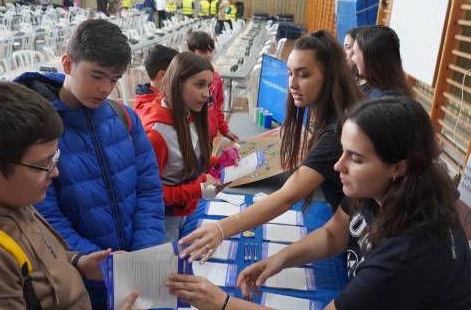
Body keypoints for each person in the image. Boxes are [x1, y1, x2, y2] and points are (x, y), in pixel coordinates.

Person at [167, 96, 471, 310]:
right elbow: (335, 232)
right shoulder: (382, 189)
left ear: (398, 166)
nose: (338, 167)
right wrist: (281, 259)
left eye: (356, 158)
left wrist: (222, 304)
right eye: (342, 152)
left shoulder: (407, 252)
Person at [14, 19, 165, 309]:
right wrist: (96, 264)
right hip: (77, 280)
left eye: (115, 78)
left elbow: (149, 189)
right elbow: (44, 218)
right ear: (68, 64)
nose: (106, 88)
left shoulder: (123, 117)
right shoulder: (35, 133)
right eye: (96, 76)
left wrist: (141, 255)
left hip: (131, 272)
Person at [179, 30, 363, 263]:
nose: (292, 84)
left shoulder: (337, 132)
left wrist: (222, 229)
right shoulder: (334, 115)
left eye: (303, 75)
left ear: (329, 77)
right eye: (289, 74)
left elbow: (287, 197)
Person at [0, 82, 138, 310]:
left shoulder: (17, 200)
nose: (55, 172)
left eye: (55, 158)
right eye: (41, 165)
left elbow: (42, 261)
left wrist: (79, 262)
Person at [135, 52, 238, 242]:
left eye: (209, 86)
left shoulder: (188, 114)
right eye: (199, 85)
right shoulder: (156, 134)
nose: (207, 94)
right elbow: (150, 194)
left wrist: (217, 162)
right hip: (163, 219)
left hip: (184, 209)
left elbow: (184, 162)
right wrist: (197, 191)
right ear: (176, 82)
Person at [187, 31, 239, 142]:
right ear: (191, 52)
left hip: (209, 138)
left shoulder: (216, 78)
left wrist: (225, 130)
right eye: (203, 51)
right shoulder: (185, 81)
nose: (208, 55)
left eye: (210, 50)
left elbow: (217, 108)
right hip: (192, 139)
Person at [352, 25, 414, 98]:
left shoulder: (385, 99)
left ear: (370, 58)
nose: (352, 58)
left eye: (355, 53)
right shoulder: (377, 88)